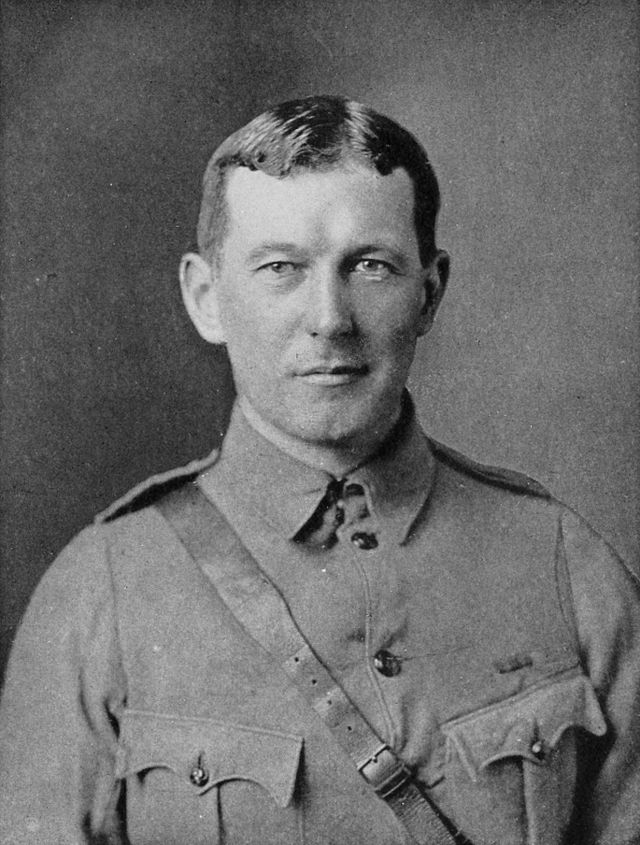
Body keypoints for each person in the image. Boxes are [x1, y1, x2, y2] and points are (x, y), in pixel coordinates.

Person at [0, 95, 638, 845]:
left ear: (428, 292)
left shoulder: (568, 568)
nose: (329, 317)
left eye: (370, 265)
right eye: (281, 268)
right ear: (207, 298)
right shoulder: (99, 593)